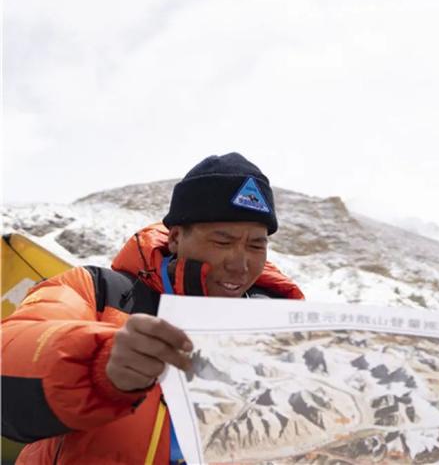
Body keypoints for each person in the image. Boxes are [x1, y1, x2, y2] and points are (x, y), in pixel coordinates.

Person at [1, 153, 304, 464]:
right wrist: (97, 365)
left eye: (256, 245)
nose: (240, 265)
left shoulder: (282, 327)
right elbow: (9, 357)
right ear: (175, 238)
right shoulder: (98, 292)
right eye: (222, 242)